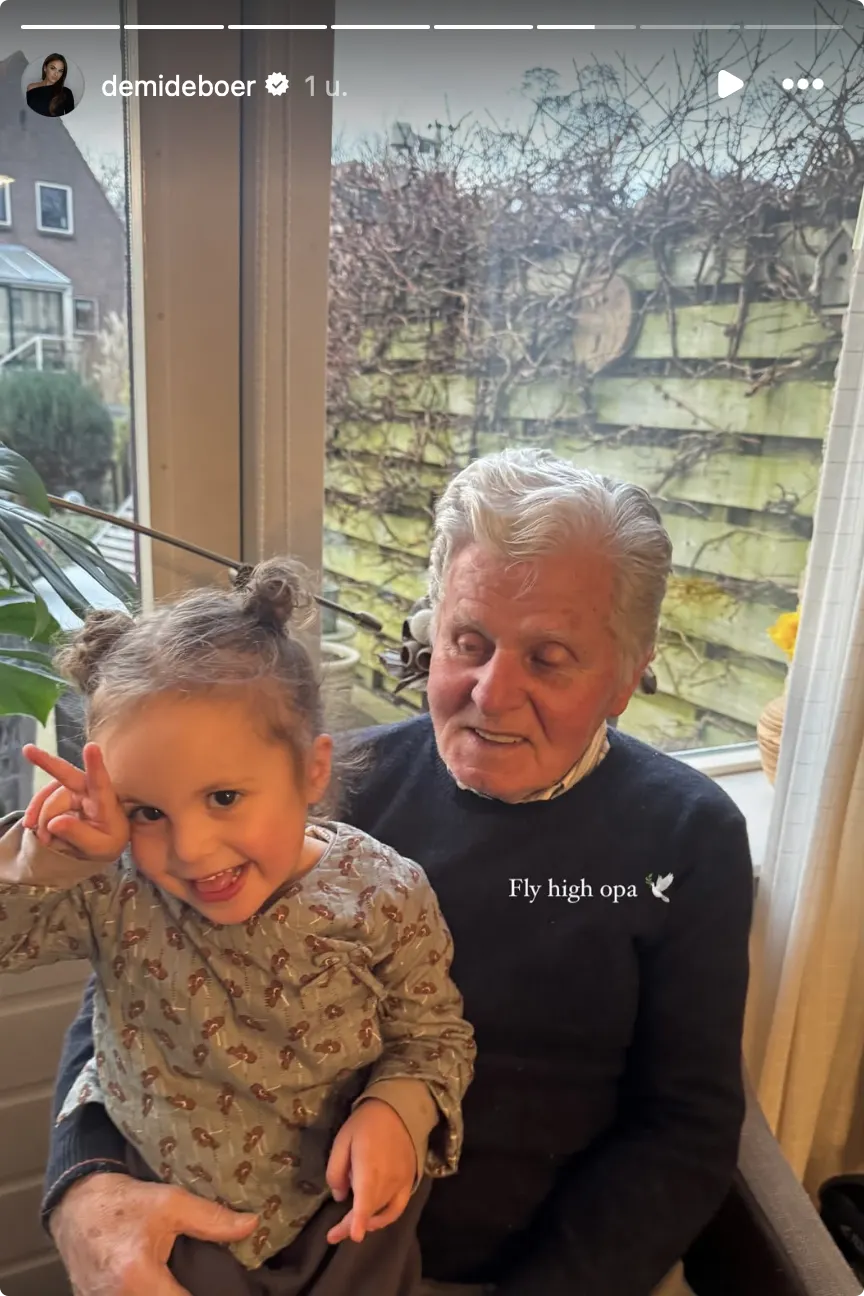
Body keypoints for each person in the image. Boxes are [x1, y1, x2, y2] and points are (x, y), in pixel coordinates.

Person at [42, 448, 754, 1296]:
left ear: (627, 676)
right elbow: (133, 975)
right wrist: (82, 1183)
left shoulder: (686, 836)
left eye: (549, 658)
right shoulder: (314, 790)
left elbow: (685, 1128)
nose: (491, 692)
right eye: (468, 642)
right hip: (251, 1253)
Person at [0, 559, 475, 1295]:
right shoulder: (110, 883)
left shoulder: (384, 893)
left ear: (312, 770)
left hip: (345, 1224)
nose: (190, 850)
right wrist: (43, 866)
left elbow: (434, 1036)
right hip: (167, 1217)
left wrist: (399, 1110)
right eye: (146, 811)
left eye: (223, 797)